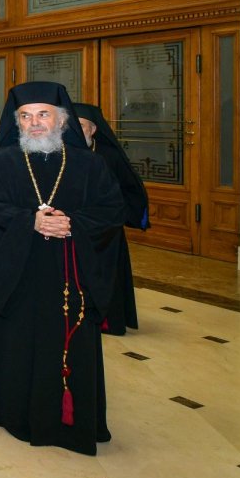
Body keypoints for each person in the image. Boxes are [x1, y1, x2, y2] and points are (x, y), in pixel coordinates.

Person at [0, 82, 125, 456]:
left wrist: (72, 224)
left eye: (43, 115)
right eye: (25, 116)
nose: (34, 123)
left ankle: (67, 419)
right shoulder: (1, 162)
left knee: (66, 345)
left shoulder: (90, 165)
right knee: (17, 342)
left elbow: (111, 212)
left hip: (70, 274)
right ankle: (13, 412)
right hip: (17, 275)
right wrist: (30, 222)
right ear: (17, 122)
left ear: (62, 120)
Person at [75, 102, 149, 336]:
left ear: (93, 129)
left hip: (106, 228)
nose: (77, 131)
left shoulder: (109, 155)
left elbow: (128, 190)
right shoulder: (62, 154)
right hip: (74, 225)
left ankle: (109, 320)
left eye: (82, 126)